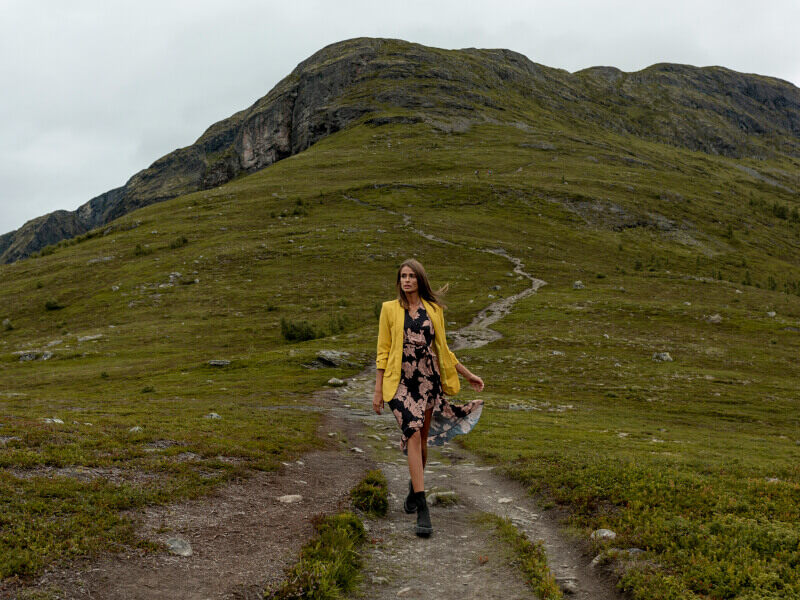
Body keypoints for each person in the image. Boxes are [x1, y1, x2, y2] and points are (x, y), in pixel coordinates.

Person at [373, 258, 484, 537]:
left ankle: (415, 484)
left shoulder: (433, 310)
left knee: (421, 439)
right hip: (399, 382)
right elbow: (383, 351)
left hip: (426, 380)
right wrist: (377, 391)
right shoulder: (389, 310)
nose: (407, 280)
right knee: (411, 433)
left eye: (411, 276)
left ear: (420, 280)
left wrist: (468, 374)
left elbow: (443, 350)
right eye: (403, 276)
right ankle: (423, 508)